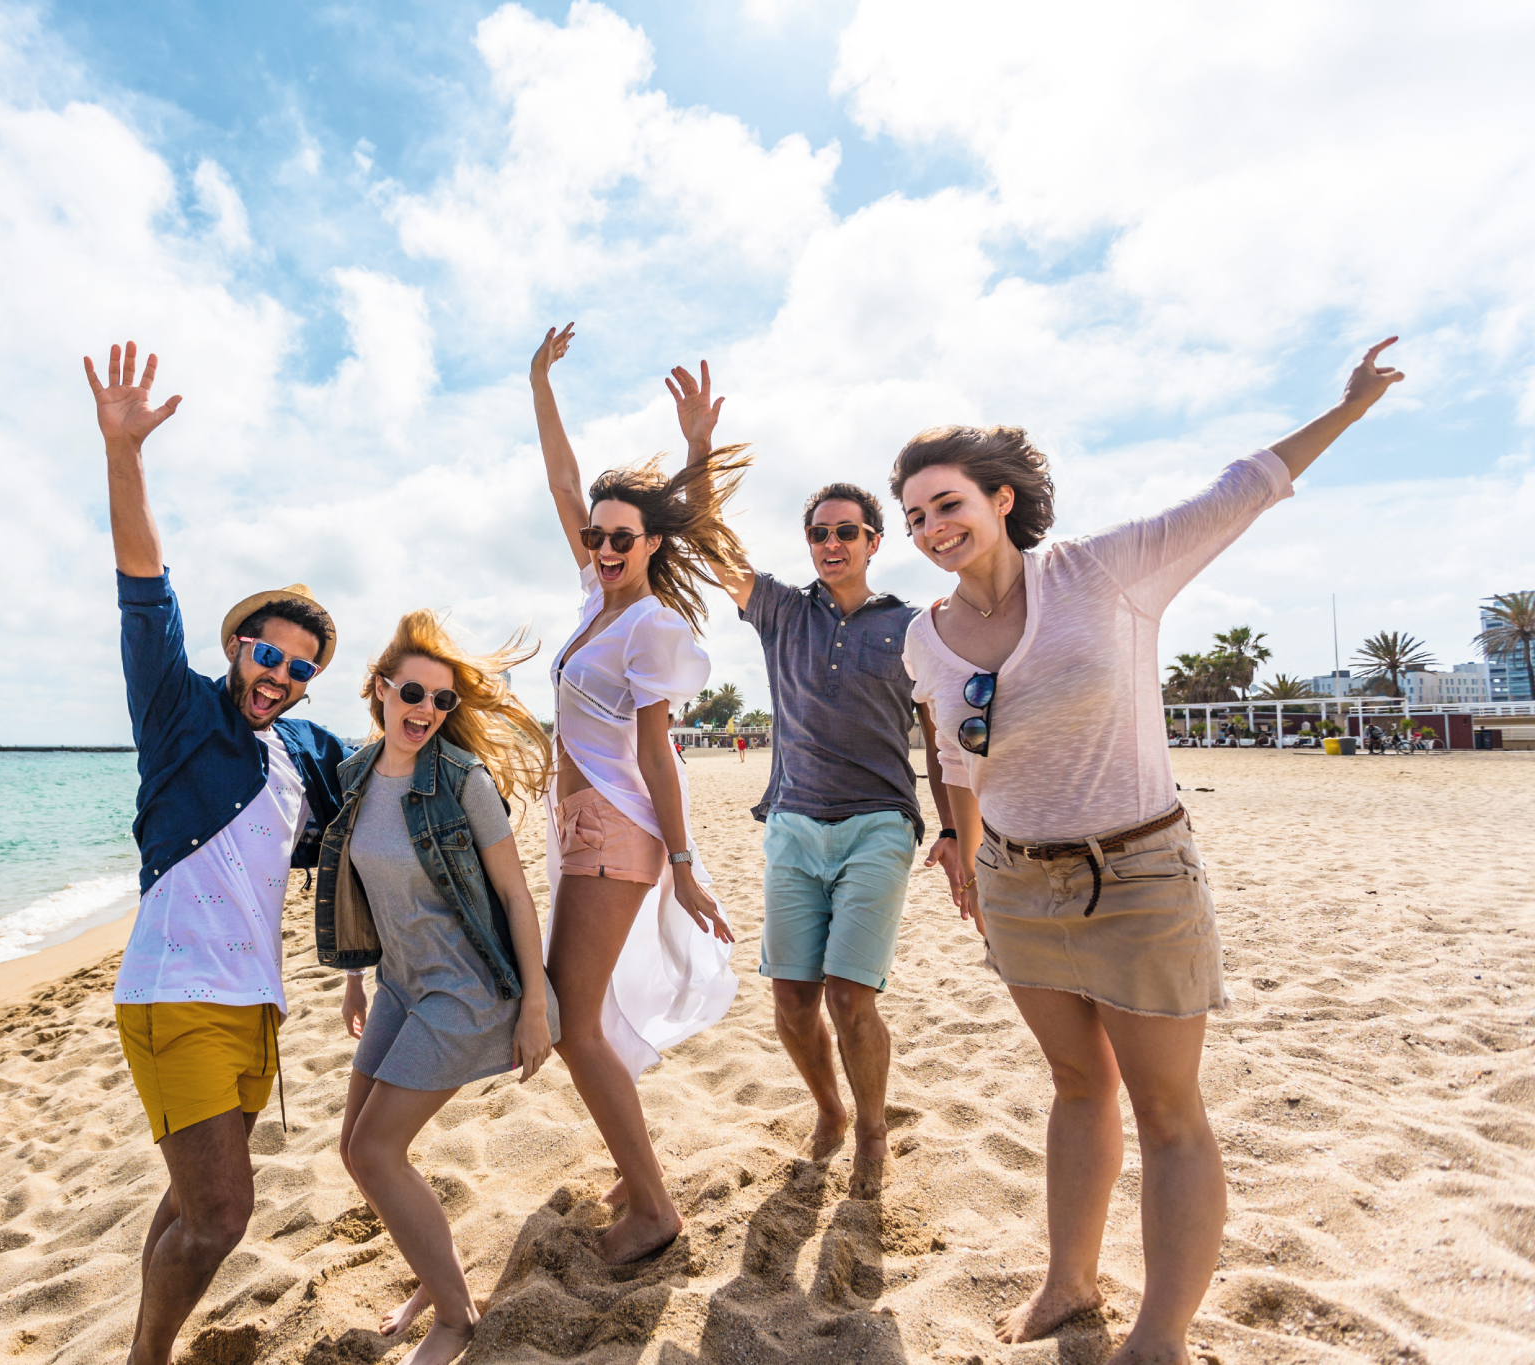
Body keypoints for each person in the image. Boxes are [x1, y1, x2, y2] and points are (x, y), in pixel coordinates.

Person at [896, 339, 1404, 1363]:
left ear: (999, 499)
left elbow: (1241, 490)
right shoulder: (924, 634)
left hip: (1136, 876)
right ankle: (1067, 1283)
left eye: (945, 503)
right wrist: (959, 838)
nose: (929, 528)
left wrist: (1343, 409)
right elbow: (953, 747)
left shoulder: (1103, 572)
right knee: (1074, 1087)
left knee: (1166, 1109)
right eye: (912, 516)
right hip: (1016, 884)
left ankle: (1159, 1334)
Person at [84, 342, 353, 1365]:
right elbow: (142, 592)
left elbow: (380, 782)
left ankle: (146, 1348)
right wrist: (124, 455)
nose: (277, 673)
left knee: (188, 1198)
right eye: (264, 652)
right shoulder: (179, 713)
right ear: (235, 647)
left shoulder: (299, 754)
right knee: (222, 1217)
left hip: (251, 999)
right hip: (175, 990)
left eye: (298, 666)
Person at [664, 361, 951, 1196]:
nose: (831, 543)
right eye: (819, 533)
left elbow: (939, 733)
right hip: (792, 821)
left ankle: (870, 1127)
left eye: (846, 531)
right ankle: (828, 1107)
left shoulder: (911, 625)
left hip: (877, 825)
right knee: (792, 1001)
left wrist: (955, 827)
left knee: (850, 999)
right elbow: (707, 540)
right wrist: (698, 445)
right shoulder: (783, 610)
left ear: (874, 539)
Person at [529, 322, 745, 1263]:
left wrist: (689, 865)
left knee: (573, 1022)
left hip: (619, 827)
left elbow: (659, 753)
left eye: (622, 536)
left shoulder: (650, 624)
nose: (605, 543)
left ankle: (652, 1207)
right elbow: (564, 482)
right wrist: (539, 383)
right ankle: (634, 1167)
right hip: (582, 822)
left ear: (651, 542)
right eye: (597, 536)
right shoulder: (594, 602)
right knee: (591, 1009)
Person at [314, 610, 561, 1365]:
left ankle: (454, 1316)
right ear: (381, 689)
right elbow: (360, 886)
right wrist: (357, 980)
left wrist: (534, 1003)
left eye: (441, 701)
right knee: (358, 1154)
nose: (424, 710)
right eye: (413, 692)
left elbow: (517, 897)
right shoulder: (354, 775)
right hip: (398, 983)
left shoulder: (461, 781)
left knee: (380, 1152)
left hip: (463, 989)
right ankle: (435, 1271)